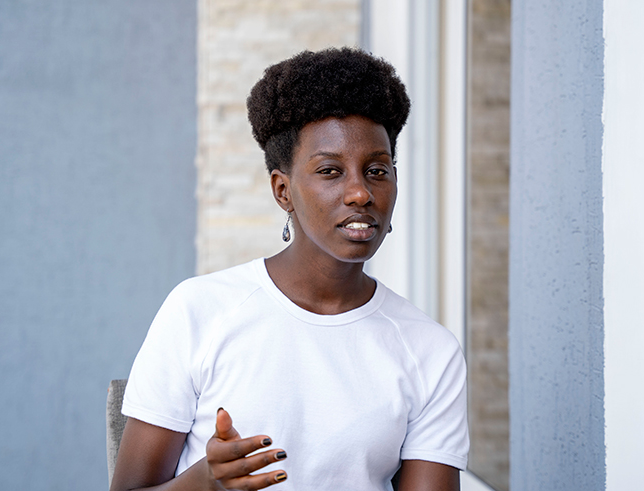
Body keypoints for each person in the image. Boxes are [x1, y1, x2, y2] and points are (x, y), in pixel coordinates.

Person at [110, 47, 469, 491]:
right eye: (330, 171)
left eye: (377, 170)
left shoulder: (430, 351)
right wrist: (206, 482)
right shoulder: (200, 311)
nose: (360, 193)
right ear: (283, 191)